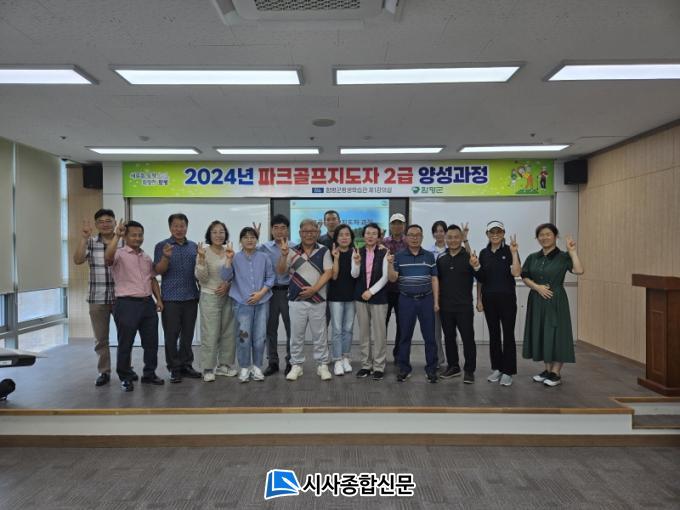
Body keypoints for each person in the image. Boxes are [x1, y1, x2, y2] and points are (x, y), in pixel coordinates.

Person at [105, 220, 164, 392]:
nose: (138, 238)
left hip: (147, 304)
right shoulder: (119, 253)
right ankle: (125, 377)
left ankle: (149, 374)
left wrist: (159, 300)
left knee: (151, 342)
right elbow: (108, 258)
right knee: (126, 343)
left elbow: (152, 279)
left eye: (140, 235)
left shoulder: (145, 257)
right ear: (125, 236)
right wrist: (116, 236)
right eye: (134, 235)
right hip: (126, 304)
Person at [522, 223, 584, 387]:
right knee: (543, 332)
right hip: (537, 299)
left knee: (557, 333)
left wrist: (572, 252)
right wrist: (537, 287)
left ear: (556, 236)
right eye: (541, 235)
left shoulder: (563, 256)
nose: (544, 237)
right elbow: (524, 276)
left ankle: (556, 372)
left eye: (548, 234)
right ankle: (547, 370)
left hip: (556, 299)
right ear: (537, 238)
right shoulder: (533, 257)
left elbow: (579, 270)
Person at [277, 219, 333, 381]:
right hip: (296, 300)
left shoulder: (324, 250)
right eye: (306, 231)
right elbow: (281, 271)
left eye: (312, 231)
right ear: (300, 233)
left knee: (320, 335)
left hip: (318, 299)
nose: (309, 234)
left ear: (317, 233)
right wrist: (283, 255)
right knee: (296, 335)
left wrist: (314, 289)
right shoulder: (291, 250)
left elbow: (328, 272)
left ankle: (322, 365)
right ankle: (296, 365)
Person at [73, 208, 123, 386]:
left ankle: (126, 370)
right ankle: (104, 371)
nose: (105, 224)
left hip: (121, 297)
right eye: (101, 222)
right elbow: (78, 260)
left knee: (125, 337)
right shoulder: (91, 242)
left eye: (109, 221)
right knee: (101, 338)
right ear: (96, 225)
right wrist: (83, 238)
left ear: (115, 222)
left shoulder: (123, 242)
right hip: (97, 297)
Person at [222, 227, 275, 383]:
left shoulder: (264, 257)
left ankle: (257, 367)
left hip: (262, 302)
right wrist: (228, 260)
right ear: (241, 241)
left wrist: (260, 294)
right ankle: (244, 367)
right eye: (245, 237)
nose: (249, 240)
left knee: (260, 337)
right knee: (243, 337)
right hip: (241, 303)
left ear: (256, 240)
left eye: (252, 237)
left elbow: (271, 278)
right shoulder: (235, 257)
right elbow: (225, 277)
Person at [388, 224, 439, 383]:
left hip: (426, 300)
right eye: (411, 235)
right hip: (406, 300)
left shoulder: (429, 256)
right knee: (405, 336)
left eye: (418, 235)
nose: (414, 238)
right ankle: (404, 368)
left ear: (422, 237)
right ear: (407, 237)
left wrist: (436, 302)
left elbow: (434, 279)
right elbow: (392, 279)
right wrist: (389, 263)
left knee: (430, 337)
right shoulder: (399, 256)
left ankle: (431, 369)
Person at [154, 213, 201, 383]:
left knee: (187, 335)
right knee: (171, 335)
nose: (179, 229)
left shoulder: (194, 247)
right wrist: (166, 257)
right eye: (175, 226)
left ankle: (186, 365)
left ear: (186, 227)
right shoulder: (162, 246)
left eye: (182, 226)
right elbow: (158, 271)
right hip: (171, 298)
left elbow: (199, 273)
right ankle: (174, 368)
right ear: (170, 227)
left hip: (191, 297)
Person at [476, 221, 521, 387]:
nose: (495, 235)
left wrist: (514, 253)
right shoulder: (483, 253)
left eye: (498, 232)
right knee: (494, 335)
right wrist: (479, 299)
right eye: (492, 232)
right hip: (489, 300)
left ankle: (508, 371)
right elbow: (480, 279)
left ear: (503, 233)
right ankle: (497, 368)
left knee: (508, 335)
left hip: (507, 299)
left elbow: (516, 272)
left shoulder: (510, 250)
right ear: (487, 234)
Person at [436, 224, 482, 384]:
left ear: (461, 238)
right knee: (449, 338)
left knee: (468, 338)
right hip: (445, 306)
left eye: (456, 237)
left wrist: (476, 266)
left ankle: (469, 370)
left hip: (464, 307)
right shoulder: (441, 258)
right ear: (445, 238)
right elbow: (436, 281)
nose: (453, 240)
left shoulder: (469, 257)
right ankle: (453, 366)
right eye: (450, 237)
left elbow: (481, 278)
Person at [194, 221, 237, 382]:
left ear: (226, 234)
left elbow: (235, 275)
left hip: (228, 296)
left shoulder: (230, 251)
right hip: (209, 296)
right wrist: (201, 259)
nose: (218, 235)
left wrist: (228, 285)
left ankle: (224, 365)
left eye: (221, 232)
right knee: (210, 333)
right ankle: (208, 368)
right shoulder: (203, 252)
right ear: (209, 235)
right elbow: (202, 278)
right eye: (214, 232)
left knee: (228, 332)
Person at [352, 223, 389, 380]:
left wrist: (371, 291)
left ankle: (379, 366)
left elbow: (386, 277)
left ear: (379, 237)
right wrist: (357, 263)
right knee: (364, 333)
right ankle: (366, 365)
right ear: (363, 235)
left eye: (374, 233)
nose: (370, 236)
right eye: (368, 233)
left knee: (380, 334)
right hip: (360, 298)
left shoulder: (385, 252)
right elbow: (354, 275)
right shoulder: (357, 252)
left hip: (379, 298)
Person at [258, 214, 292, 376]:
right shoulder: (264, 247)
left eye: (283, 228)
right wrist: (255, 238)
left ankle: (291, 361)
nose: (279, 231)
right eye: (276, 228)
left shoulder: (295, 247)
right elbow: (249, 254)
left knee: (291, 328)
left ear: (288, 230)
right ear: (271, 230)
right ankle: (272, 362)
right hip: (270, 293)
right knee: (270, 329)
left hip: (288, 292)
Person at [328, 224, 358, 376]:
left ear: (351, 237)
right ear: (336, 238)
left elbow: (355, 274)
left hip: (352, 297)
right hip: (335, 297)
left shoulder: (356, 253)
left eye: (347, 234)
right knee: (337, 329)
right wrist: (336, 258)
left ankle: (346, 357)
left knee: (348, 329)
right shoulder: (331, 253)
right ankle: (337, 359)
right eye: (341, 235)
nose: (344, 237)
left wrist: (357, 261)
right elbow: (333, 276)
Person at [383, 213, 407, 362]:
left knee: (402, 324)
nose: (397, 226)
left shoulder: (409, 242)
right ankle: (380, 355)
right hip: (385, 290)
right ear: (390, 225)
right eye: (394, 223)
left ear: (404, 225)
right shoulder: (383, 242)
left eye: (400, 223)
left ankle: (398, 354)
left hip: (402, 290)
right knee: (382, 323)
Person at [429, 220, 448, 367]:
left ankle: (452, 361)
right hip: (433, 295)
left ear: (445, 233)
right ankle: (438, 359)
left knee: (450, 331)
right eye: (436, 231)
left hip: (449, 295)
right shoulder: (428, 252)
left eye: (442, 231)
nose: (439, 234)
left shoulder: (452, 249)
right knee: (435, 331)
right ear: (433, 234)